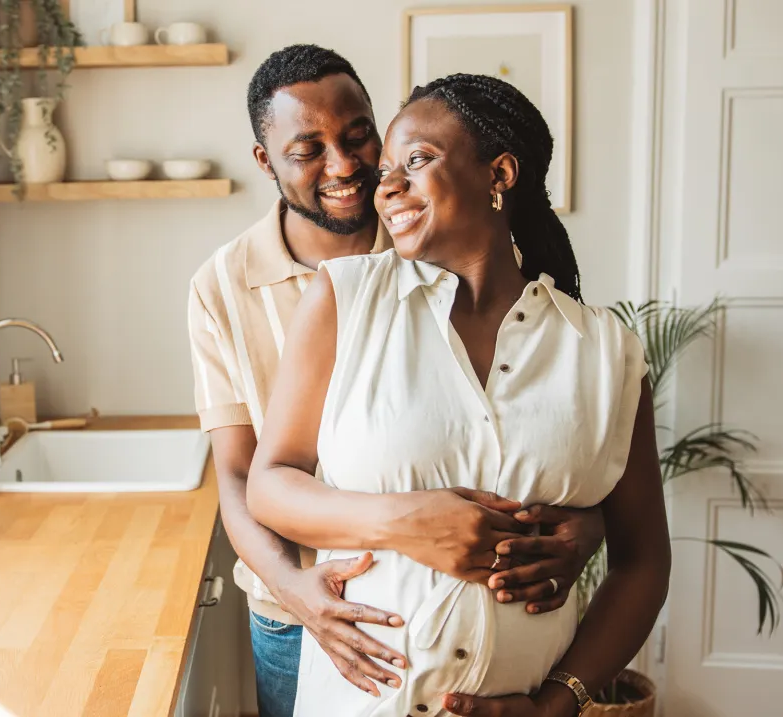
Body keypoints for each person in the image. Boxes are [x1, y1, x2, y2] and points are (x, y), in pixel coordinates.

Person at [187, 48, 607, 717]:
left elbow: (533, 420)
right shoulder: (223, 286)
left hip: (476, 619)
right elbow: (241, 474)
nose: (347, 165)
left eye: (359, 137)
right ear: (266, 161)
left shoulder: (434, 232)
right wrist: (298, 587)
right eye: (309, 149)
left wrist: (586, 527)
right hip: (300, 602)